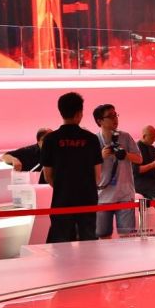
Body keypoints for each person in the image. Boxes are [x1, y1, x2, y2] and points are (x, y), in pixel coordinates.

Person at [40, 93, 102, 243]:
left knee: (61, 245)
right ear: (79, 113)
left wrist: (63, 187)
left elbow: (48, 175)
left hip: (62, 199)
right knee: (88, 242)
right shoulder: (91, 139)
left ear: (61, 111)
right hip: (87, 199)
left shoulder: (50, 139)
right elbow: (98, 175)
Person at [93, 104, 142, 238]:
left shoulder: (125, 137)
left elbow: (139, 159)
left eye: (115, 115)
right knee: (103, 235)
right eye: (110, 116)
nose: (115, 118)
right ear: (99, 121)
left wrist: (125, 154)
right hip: (103, 196)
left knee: (127, 237)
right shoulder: (94, 140)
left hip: (125, 194)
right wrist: (101, 156)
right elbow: (87, 166)